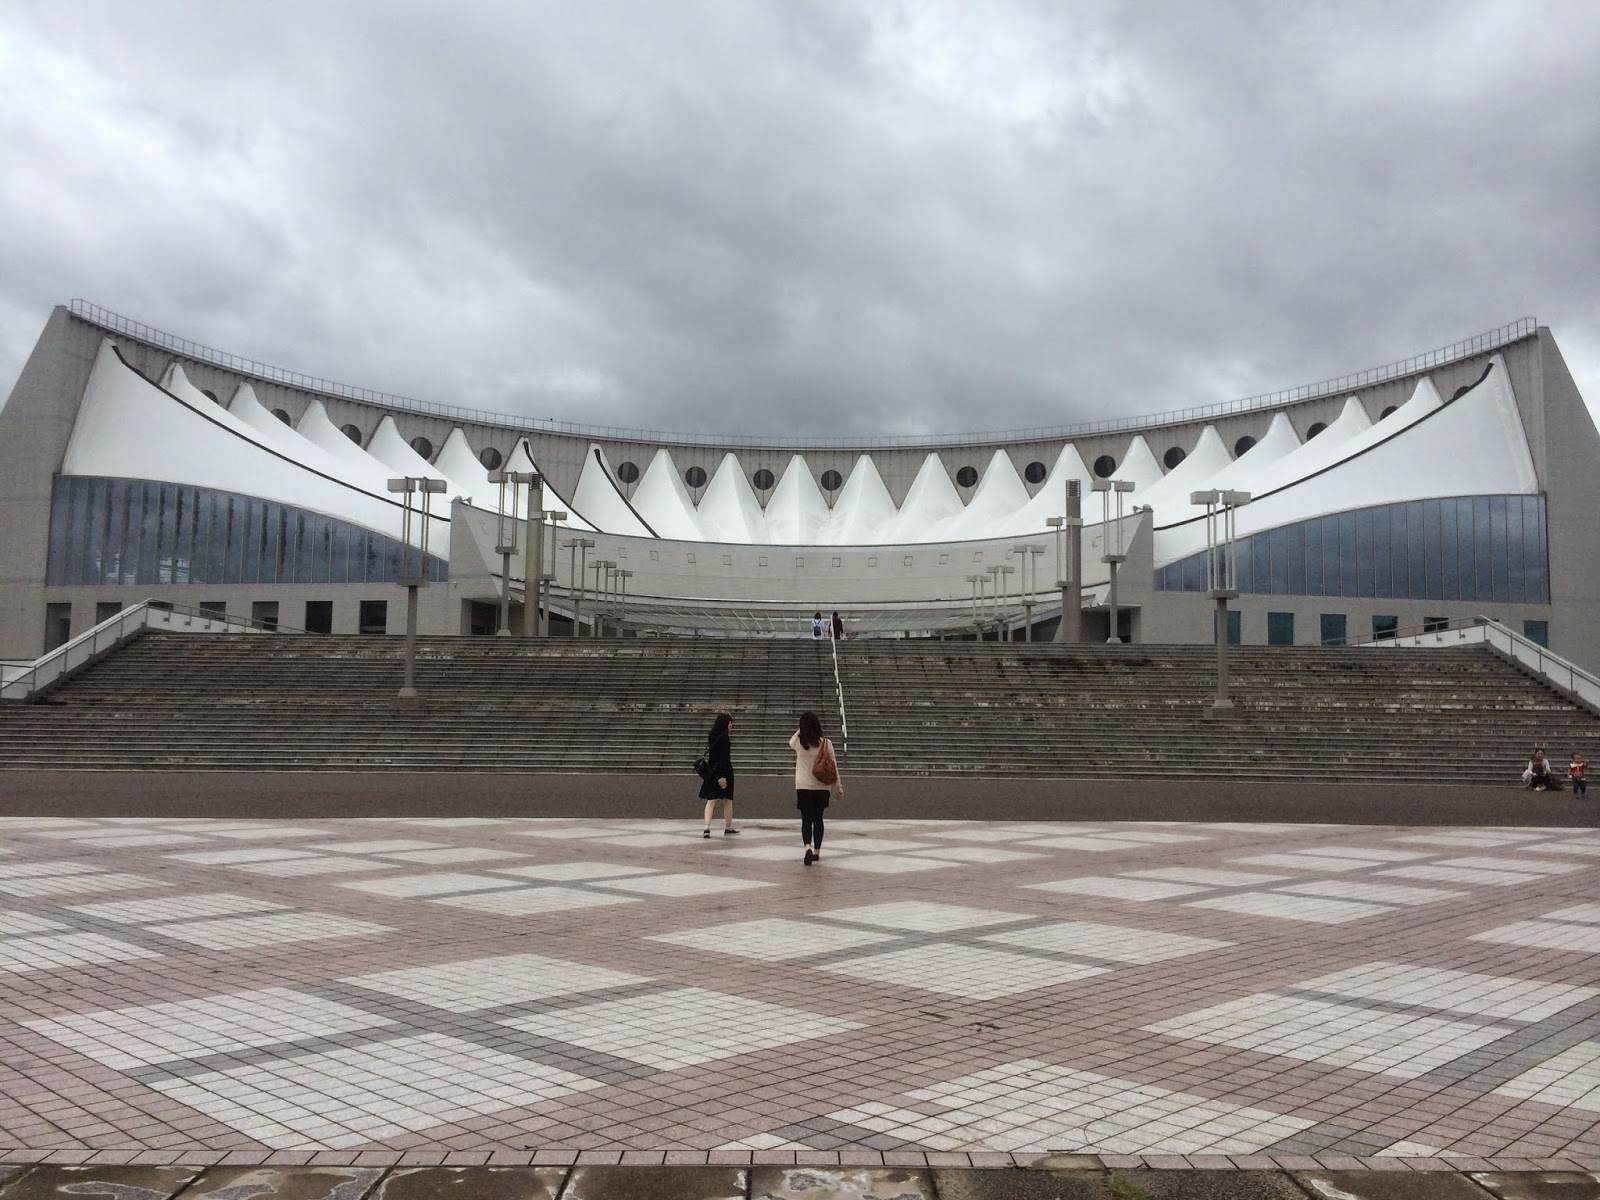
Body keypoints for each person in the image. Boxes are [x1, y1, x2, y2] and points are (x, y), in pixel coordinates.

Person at [789, 710, 842, 865]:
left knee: (806, 819)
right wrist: (838, 787)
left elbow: (790, 741)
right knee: (818, 819)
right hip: (822, 787)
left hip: (803, 787)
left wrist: (801, 729)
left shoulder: (799, 743)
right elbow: (834, 766)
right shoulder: (826, 743)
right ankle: (817, 851)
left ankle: (807, 847)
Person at [699, 711, 738, 837]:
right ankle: (728, 827)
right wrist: (723, 776)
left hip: (711, 771)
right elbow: (724, 758)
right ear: (725, 723)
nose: (731, 726)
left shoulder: (711, 736)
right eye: (730, 723)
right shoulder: (725, 738)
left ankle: (707, 827)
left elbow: (713, 757)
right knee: (728, 800)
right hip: (724, 771)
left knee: (711, 800)